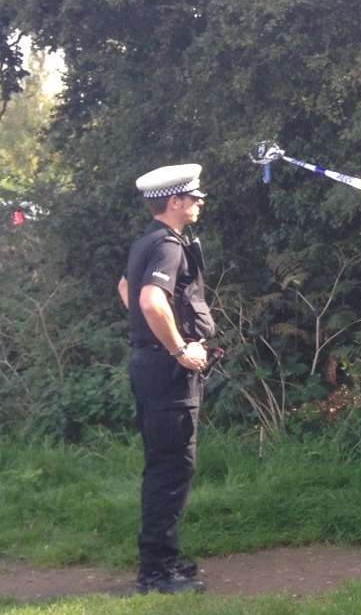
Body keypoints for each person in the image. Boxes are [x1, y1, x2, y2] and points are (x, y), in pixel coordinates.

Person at [117, 163, 216, 594]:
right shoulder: (169, 246)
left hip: (150, 364)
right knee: (172, 468)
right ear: (174, 202)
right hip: (167, 369)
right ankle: (157, 573)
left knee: (167, 465)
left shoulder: (149, 242)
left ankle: (164, 562)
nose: (200, 202)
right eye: (193, 197)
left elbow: (125, 287)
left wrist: (151, 337)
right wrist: (178, 348)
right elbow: (149, 299)